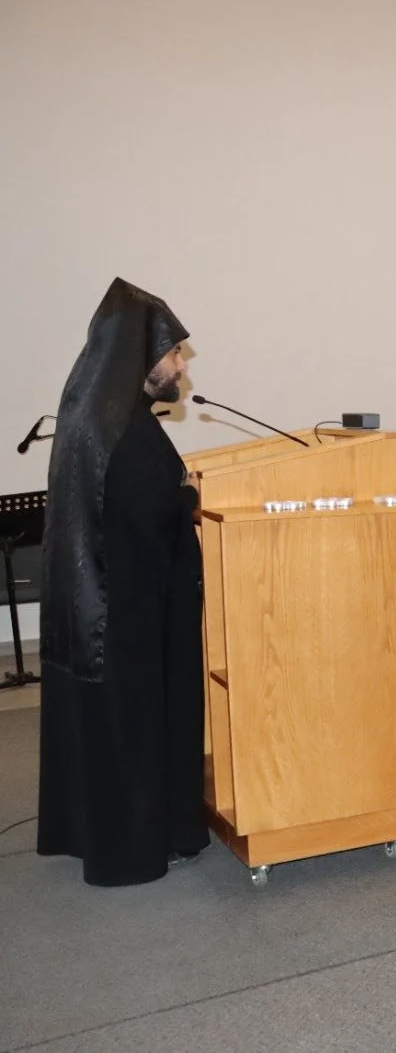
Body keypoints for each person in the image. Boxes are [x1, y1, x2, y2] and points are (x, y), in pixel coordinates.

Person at [36, 278, 209, 886]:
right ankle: (140, 844)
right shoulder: (126, 427)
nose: (180, 364)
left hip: (97, 608)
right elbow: (149, 511)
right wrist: (186, 493)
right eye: (174, 352)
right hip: (127, 615)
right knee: (135, 728)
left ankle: (102, 832)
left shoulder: (90, 409)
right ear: (141, 353)